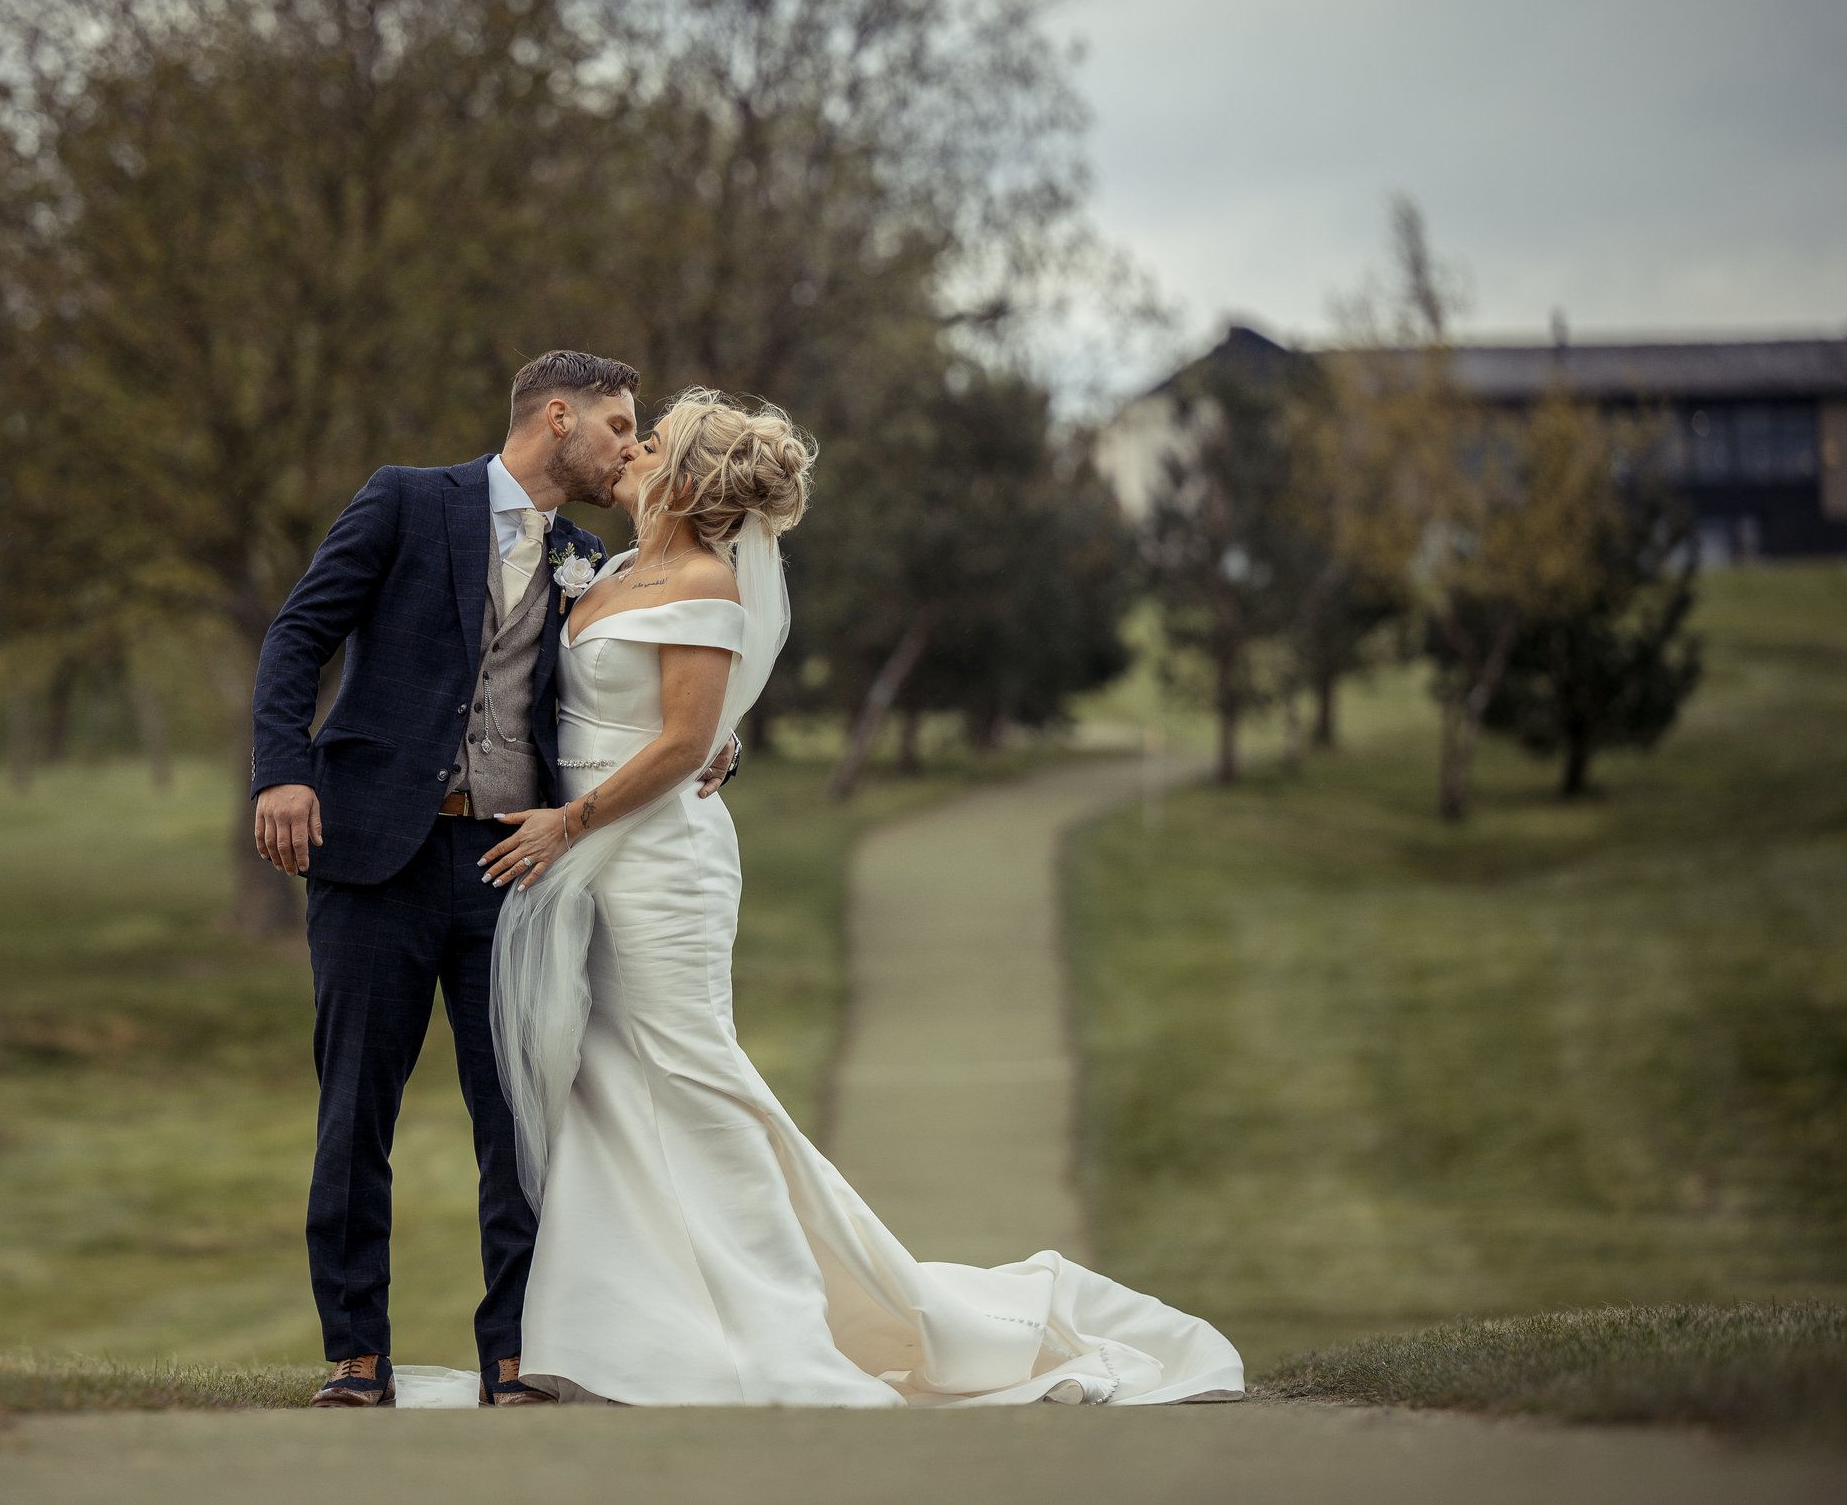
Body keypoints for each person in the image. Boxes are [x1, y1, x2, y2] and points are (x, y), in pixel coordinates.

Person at [465, 386, 1246, 1408]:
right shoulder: (606, 570)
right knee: (603, 1071)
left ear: (687, 477)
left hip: (656, 860)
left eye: (648, 442)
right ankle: (619, 1329)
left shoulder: (702, 580)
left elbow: (685, 742)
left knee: (690, 1066)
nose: (631, 454)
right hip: (588, 857)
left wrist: (571, 821)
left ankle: (784, 1312)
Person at [248, 351, 740, 1410]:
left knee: (518, 1112)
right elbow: (297, 634)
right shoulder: (403, 500)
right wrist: (283, 772)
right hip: (376, 854)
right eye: (616, 423)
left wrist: (708, 745)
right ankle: (354, 1353)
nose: (630, 446)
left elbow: (638, 689)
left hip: (509, 864)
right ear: (553, 417)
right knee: (355, 1109)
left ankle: (514, 1353)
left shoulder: (590, 560)